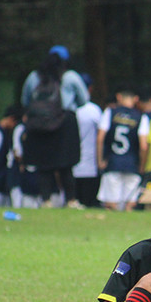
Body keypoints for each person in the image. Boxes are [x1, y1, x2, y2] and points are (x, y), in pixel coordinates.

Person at [20, 45, 90, 208]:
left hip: (40, 123)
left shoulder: (34, 76)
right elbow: (84, 100)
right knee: (66, 164)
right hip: (65, 121)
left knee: (44, 164)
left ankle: (46, 200)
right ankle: (71, 200)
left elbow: (25, 100)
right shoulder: (71, 76)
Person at [97, 86, 148, 211]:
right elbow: (143, 146)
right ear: (136, 99)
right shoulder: (141, 117)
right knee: (129, 204)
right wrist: (142, 165)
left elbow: (100, 138)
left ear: (118, 97)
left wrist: (100, 160)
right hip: (132, 163)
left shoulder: (110, 112)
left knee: (112, 204)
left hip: (113, 161)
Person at [73, 75, 103, 208]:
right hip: (90, 165)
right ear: (90, 89)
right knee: (88, 203)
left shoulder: (67, 108)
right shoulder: (94, 110)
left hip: (70, 165)